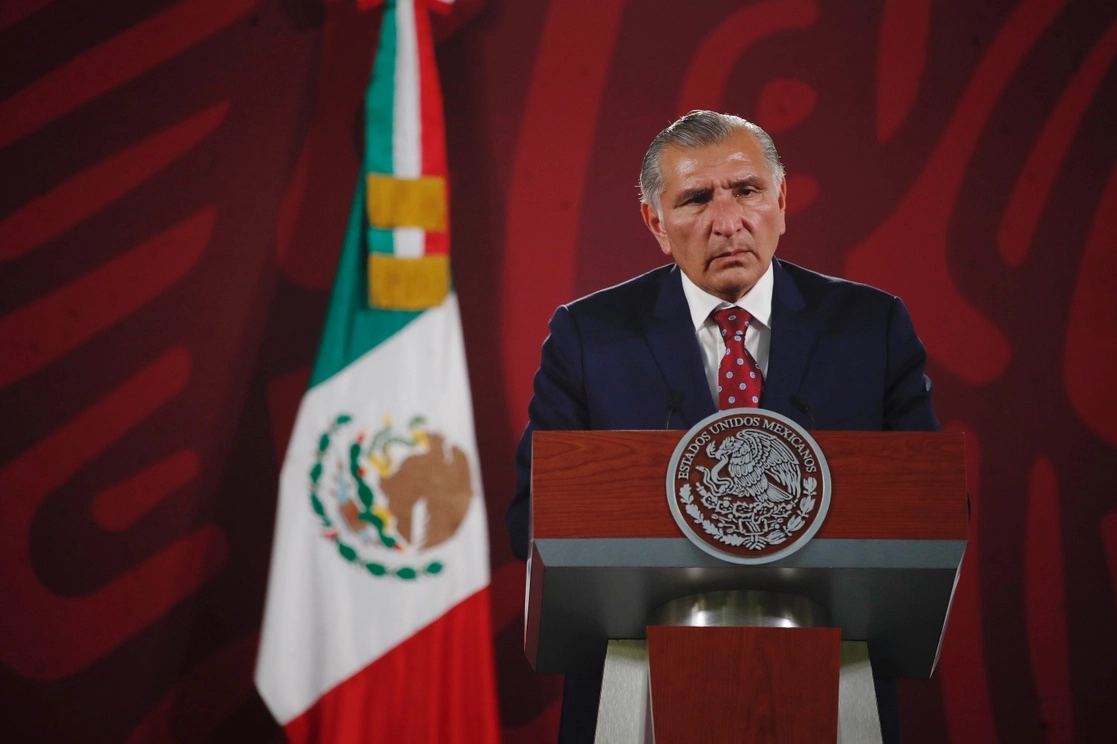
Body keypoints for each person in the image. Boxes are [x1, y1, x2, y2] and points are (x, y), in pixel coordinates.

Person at [506, 110, 938, 743]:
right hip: (640, 695)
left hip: (830, 685)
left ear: (782, 201)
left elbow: (932, 509)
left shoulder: (871, 328)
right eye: (697, 199)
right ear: (656, 222)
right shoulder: (590, 337)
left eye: (747, 191)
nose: (728, 220)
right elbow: (532, 521)